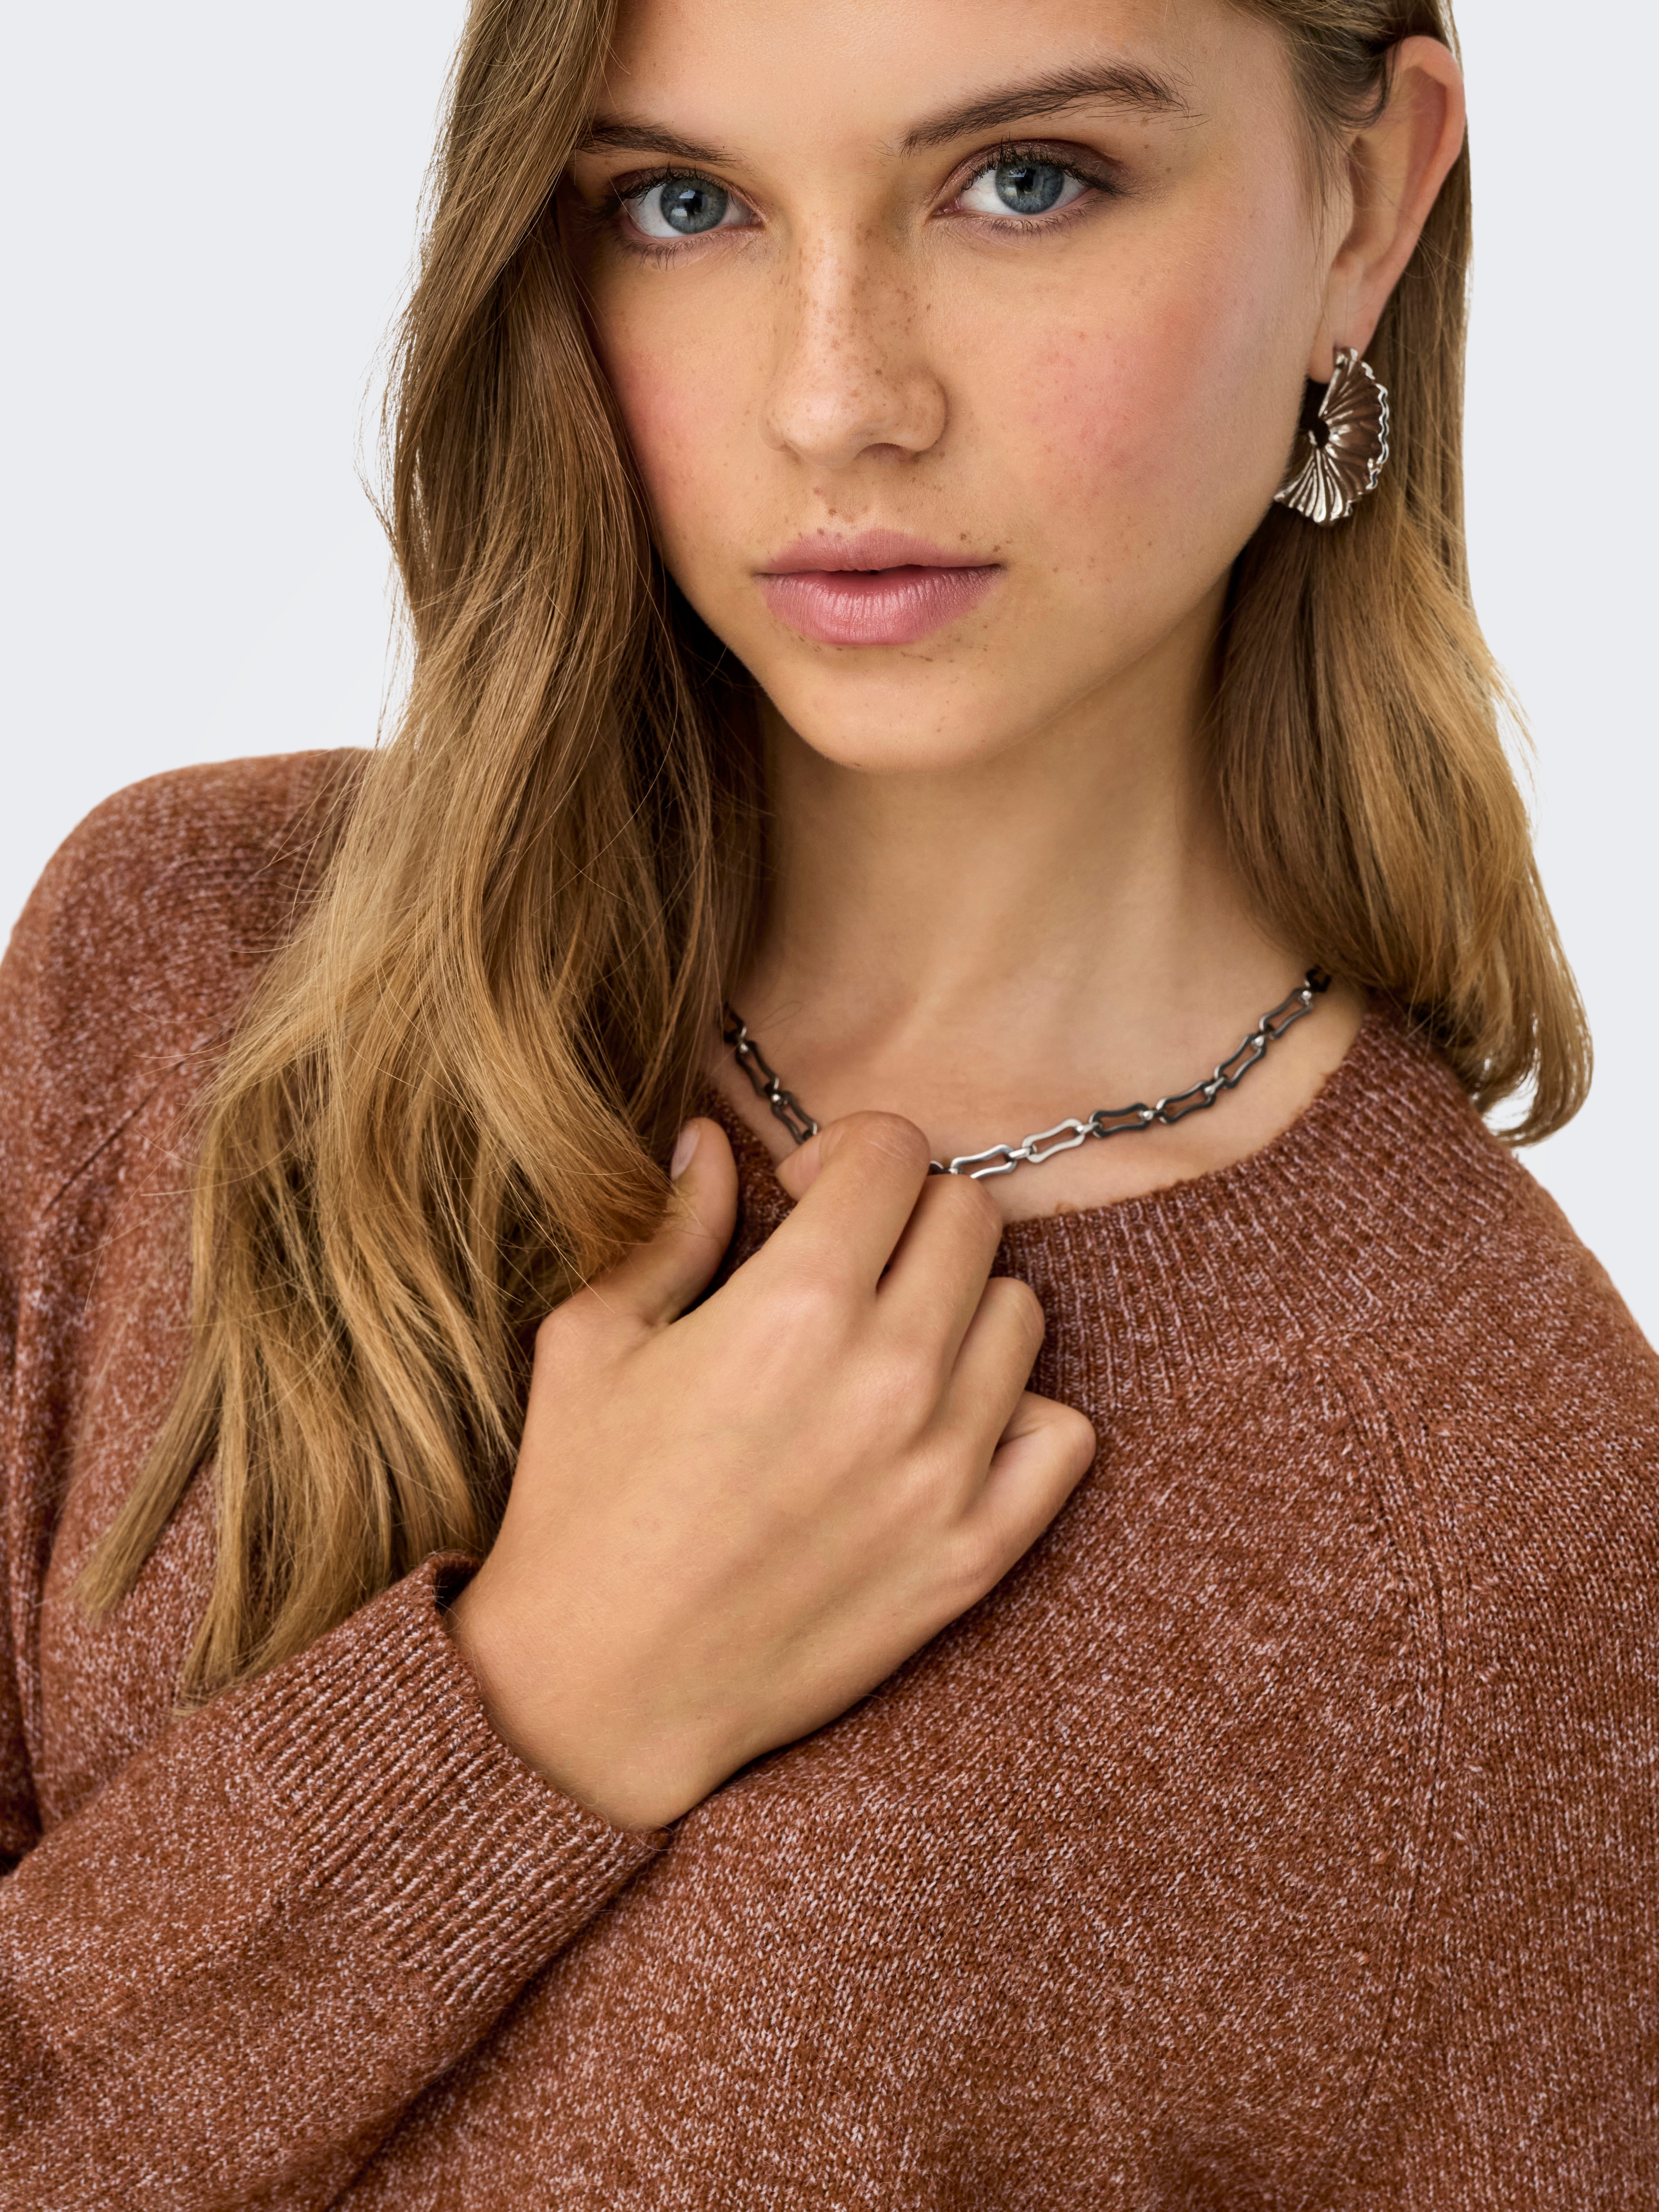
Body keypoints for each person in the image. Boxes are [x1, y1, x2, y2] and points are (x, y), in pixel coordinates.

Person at [1, 0, 1653, 2202]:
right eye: (684, 205)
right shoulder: (197, 983)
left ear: (1366, 203)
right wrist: (532, 1713)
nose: (836, 398)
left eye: (1026, 184)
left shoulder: (1517, 1540)